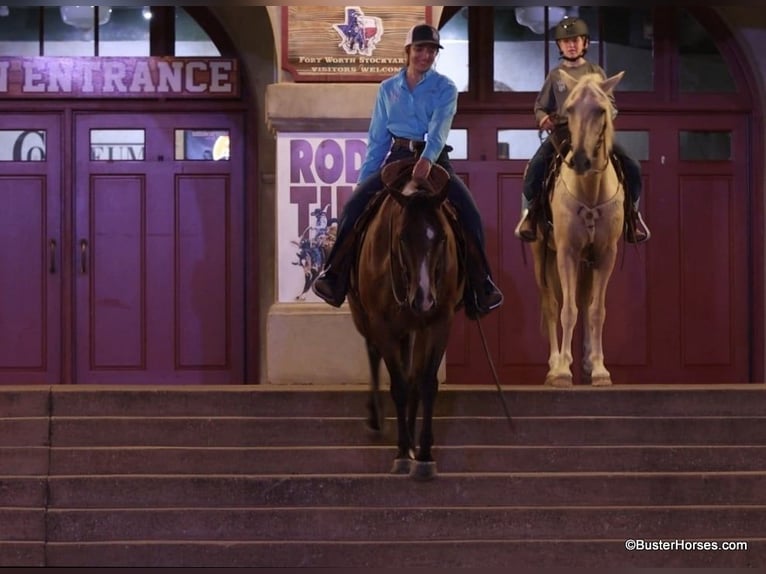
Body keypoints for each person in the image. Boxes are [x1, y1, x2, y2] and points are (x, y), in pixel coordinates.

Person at [312, 23, 503, 319]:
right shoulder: (388, 89)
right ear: (408, 51)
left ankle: (482, 284)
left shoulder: (445, 88)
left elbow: (440, 130)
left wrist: (427, 160)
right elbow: (377, 140)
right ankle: (333, 276)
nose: (425, 55)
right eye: (419, 49)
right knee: (353, 207)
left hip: (435, 158)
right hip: (398, 155)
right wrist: (364, 183)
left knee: (470, 212)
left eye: (430, 50)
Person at [514, 16, 651, 244]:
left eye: (575, 40)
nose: (571, 45)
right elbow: (540, 106)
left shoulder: (596, 72)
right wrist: (544, 118)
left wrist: (605, 114)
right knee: (536, 166)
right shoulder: (555, 76)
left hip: (594, 135)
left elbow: (612, 105)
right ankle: (529, 216)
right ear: (559, 45)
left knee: (632, 165)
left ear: (585, 43)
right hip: (562, 134)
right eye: (566, 41)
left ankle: (632, 217)